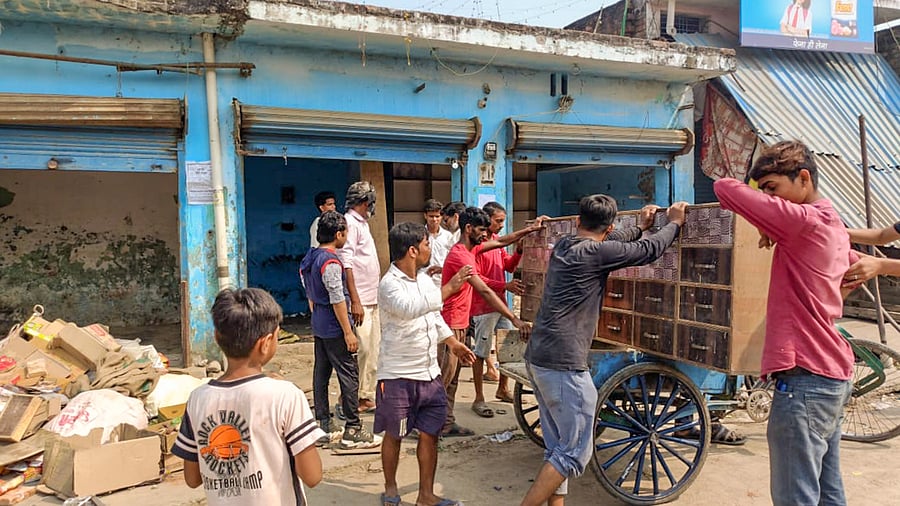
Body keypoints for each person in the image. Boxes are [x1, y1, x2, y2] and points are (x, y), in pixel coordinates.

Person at [714, 140, 858, 506]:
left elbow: (724, 188)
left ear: (804, 178)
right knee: (828, 492)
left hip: (805, 378)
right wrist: (769, 222)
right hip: (831, 376)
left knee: (795, 497)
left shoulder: (803, 221)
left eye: (774, 189)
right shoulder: (833, 224)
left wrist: (764, 213)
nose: (770, 198)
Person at [520, 197, 686, 506]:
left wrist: (640, 227)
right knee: (574, 452)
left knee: (558, 446)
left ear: (579, 222)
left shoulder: (565, 245)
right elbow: (648, 251)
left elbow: (617, 242)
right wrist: (674, 222)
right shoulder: (597, 254)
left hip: (538, 356)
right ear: (608, 226)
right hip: (564, 362)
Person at [172, 287, 324, 505]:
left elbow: (192, 478)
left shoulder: (197, 398)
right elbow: (312, 476)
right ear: (266, 343)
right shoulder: (286, 395)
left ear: (216, 337)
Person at [376, 222, 477, 506]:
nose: (429, 247)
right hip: (397, 374)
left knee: (430, 434)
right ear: (412, 250)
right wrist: (449, 288)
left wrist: (452, 342)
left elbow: (431, 315)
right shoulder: (389, 284)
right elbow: (410, 310)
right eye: (425, 244)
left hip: (429, 373)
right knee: (394, 434)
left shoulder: (422, 279)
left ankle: (426, 495)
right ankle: (391, 488)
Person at [441, 206, 539, 430]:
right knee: (444, 378)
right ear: (468, 229)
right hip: (451, 324)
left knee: (453, 379)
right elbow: (485, 290)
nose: (486, 234)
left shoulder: (471, 250)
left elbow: (502, 241)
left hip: (461, 323)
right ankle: (427, 427)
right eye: (482, 230)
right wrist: (514, 318)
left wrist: (529, 230)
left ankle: (446, 423)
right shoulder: (461, 256)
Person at [300, 211, 381, 449]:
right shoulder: (331, 262)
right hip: (334, 324)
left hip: (319, 321)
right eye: (345, 232)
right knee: (349, 374)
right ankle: (353, 428)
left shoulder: (311, 256)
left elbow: (307, 286)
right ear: (338, 234)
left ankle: (323, 422)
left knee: (322, 372)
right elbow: (337, 298)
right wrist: (348, 331)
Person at [470, 201, 527, 406]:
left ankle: (503, 388)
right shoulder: (478, 245)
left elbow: (508, 267)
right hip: (483, 306)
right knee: (480, 352)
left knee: (508, 345)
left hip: (500, 303)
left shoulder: (497, 242)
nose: (502, 225)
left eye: (503, 221)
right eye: (499, 221)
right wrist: (505, 285)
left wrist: (519, 251)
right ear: (488, 220)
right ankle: (478, 396)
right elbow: (477, 280)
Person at [338, 181, 382, 414]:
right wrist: (354, 300)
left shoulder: (362, 223)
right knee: (363, 348)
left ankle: (366, 394)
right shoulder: (351, 224)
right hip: (361, 299)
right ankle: (355, 395)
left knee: (373, 349)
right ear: (366, 202)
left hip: (372, 297)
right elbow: (347, 263)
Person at [424, 198, 454, 287]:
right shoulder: (419, 235)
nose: (434, 219)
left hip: (442, 281)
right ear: (425, 216)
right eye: (431, 216)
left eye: (437, 216)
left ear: (441, 217)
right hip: (424, 280)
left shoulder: (448, 236)